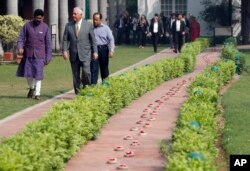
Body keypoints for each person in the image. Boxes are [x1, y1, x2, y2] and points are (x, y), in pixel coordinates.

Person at [16, 9, 52, 100]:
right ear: (34, 17)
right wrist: (20, 47)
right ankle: (31, 88)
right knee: (28, 75)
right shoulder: (27, 26)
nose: (38, 20)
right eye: (37, 18)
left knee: (38, 75)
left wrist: (48, 56)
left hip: (40, 56)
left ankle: (37, 94)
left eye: (40, 18)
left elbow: (48, 43)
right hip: (28, 54)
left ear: (42, 18)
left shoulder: (45, 27)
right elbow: (21, 38)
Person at [62, 7, 98, 94]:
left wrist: (95, 51)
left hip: (85, 54)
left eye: (75, 14)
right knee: (75, 75)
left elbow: (93, 40)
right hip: (74, 55)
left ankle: (86, 88)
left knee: (86, 73)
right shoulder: (68, 25)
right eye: (73, 13)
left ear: (81, 15)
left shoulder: (88, 25)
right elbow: (65, 39)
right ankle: (78, 93)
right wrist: (64, 50)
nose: (73, 15)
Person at [91, 12, 115, 84]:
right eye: (94, 19)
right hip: (94, 50)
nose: (95, 21)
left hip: (104, 50)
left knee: (104, 68)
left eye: (96, 20)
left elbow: (111, 39)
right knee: (94, 69)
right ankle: (93, 87)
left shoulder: (106, 28)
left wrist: (111, 50)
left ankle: (105, 85)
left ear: (100, 20)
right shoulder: (91, 29)